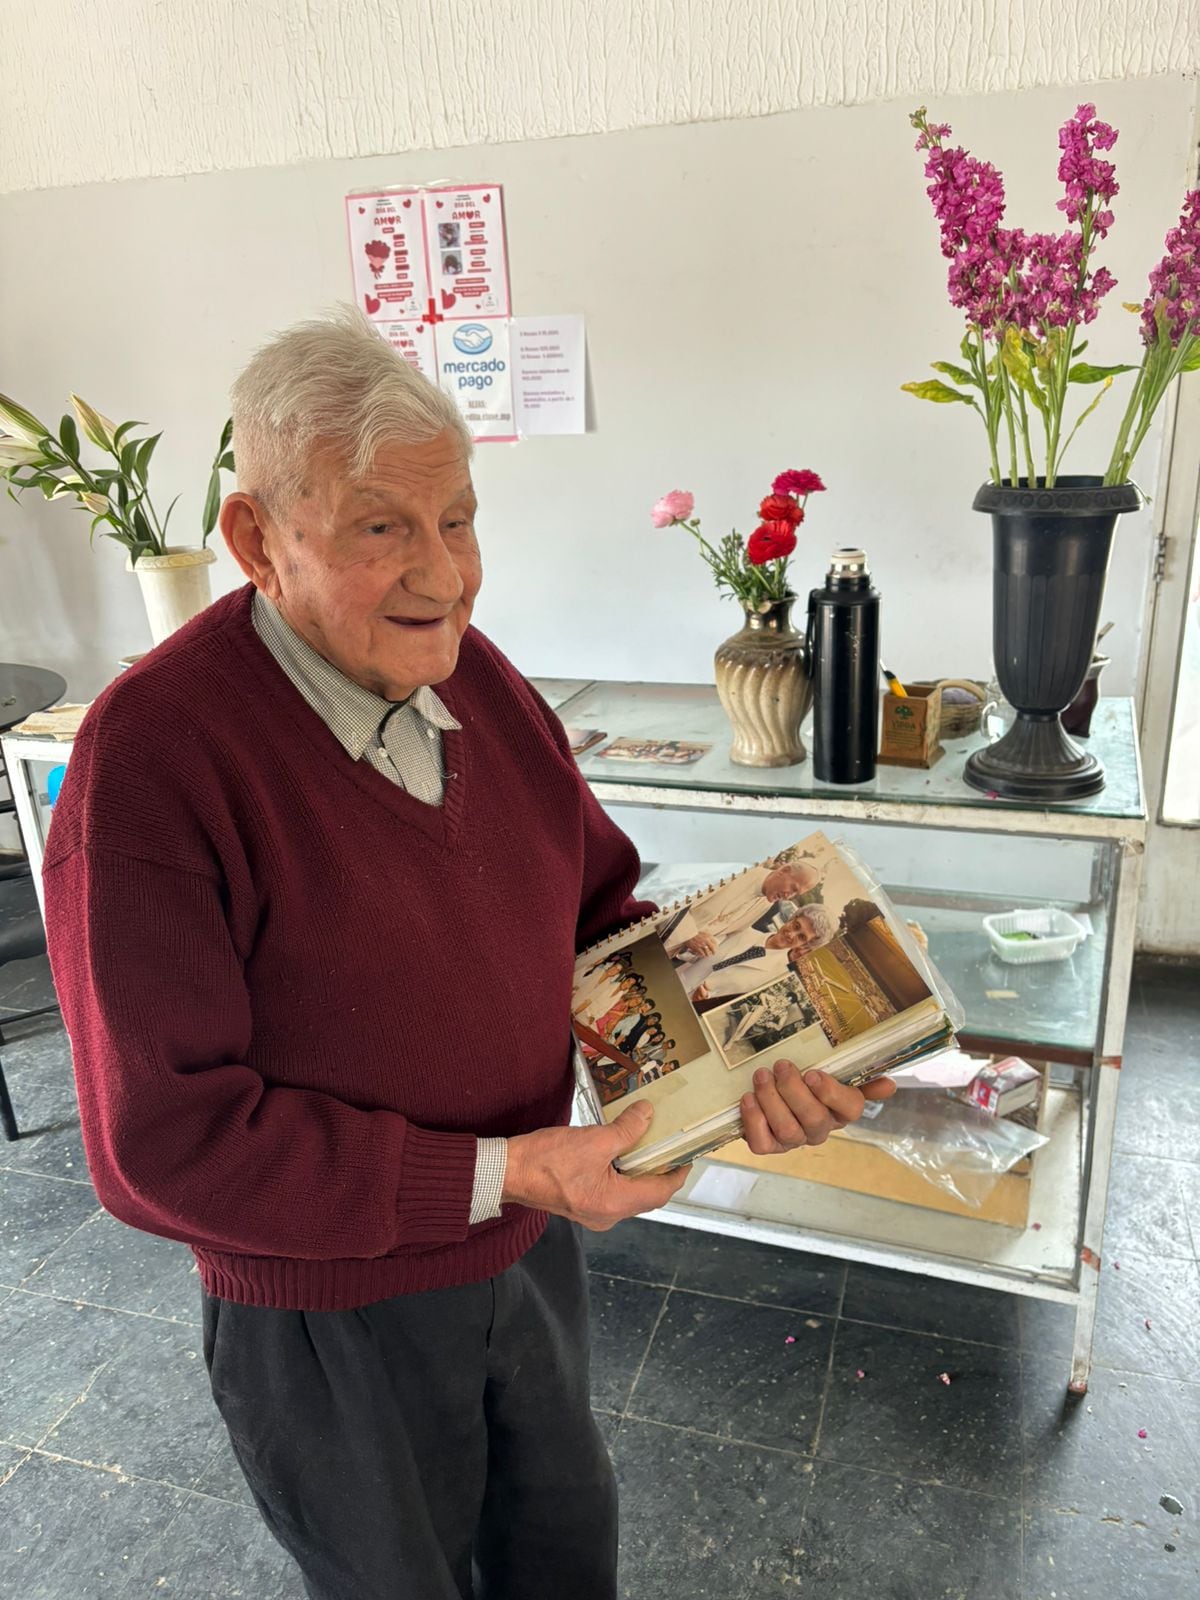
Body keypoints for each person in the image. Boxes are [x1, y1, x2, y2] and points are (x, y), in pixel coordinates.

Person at [42, 307, 895, 1600]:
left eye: (460, 520)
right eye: (383, 526)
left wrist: (748, 1057)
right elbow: (163, 1143)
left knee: (564, 1562)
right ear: (258, 540)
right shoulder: (151, 760)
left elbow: (599, 911)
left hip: (526, 1254)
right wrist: (509, 1172)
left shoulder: (475, 681)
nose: (444, 573)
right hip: (328, 1314)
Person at [667, 858, 821, 961]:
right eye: (792, 888)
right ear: (784, 870)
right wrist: (690, 935)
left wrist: (706, 946)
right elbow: (673, 896)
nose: (788, 896)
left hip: (669, 955)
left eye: (795, 894)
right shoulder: (737, 869)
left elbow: (729, 933)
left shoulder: (766, 903)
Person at [686, 906, 836, 1004]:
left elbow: (741, 1005)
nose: (791, 934)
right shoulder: (742, 930)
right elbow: (691, 956)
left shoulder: (779, 978)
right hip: (674, 981)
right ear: (791, 919)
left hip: (693, 1012)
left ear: (805, 946)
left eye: (802, 937)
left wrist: (707, 1000)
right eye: (796, 926)